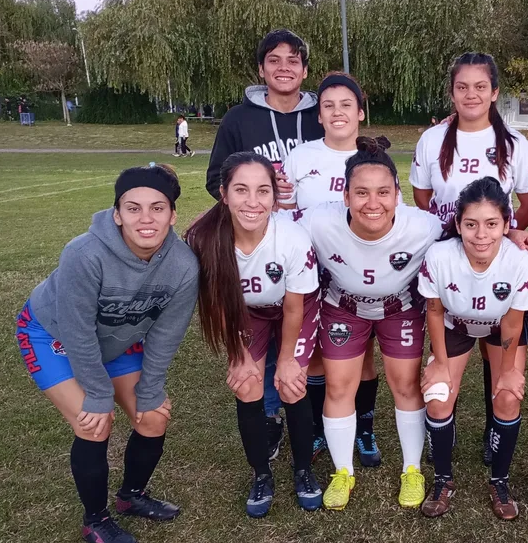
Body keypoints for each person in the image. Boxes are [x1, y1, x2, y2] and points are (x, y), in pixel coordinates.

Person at [15, 163, 199, 543]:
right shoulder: (84, 253)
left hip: (117, 340)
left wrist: (151, 389)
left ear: (172, 214)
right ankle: (95, 520)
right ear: (117, 214)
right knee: (94, 422)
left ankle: (131, 495)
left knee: (154, 416)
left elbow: (166, 335)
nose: (146, 218)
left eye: (157, 207)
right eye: (133, 208)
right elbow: (78, 330)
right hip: (54, 334)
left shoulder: (183, 266)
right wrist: (98, 393)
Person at [294, 137, 439, 511]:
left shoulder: (425, 226)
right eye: (361, 193)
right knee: (339, 386)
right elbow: (267, 224)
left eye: (383, 192)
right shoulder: (317, 219)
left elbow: (473, 235)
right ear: (344, 196)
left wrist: (515, 236)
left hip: (400, 308)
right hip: (343, 307)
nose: (372, 204)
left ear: (398, 194)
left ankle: (412, 469)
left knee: (406, 386)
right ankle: (343, 472)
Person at [411, 52, 528, 466]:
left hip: (493, 256)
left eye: (480, 86)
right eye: (462, 86)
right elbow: (421, 196)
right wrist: (450, 234)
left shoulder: (514, 144)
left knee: (497, 347)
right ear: (452, 92)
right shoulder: (433, 140)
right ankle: (443, 434)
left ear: (494, 92)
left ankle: (493, 431)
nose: (471, 94)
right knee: (456, 324)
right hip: (452, 257)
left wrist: (506, 230)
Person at [204, 29, 325, 460]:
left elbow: (347, 147)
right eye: (274, 60)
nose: (284, 67)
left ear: (305, 69)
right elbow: (215, 177)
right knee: (269, 333)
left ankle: (315, 417)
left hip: (317, 240)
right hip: (263, 242)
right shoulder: (239, 119)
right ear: (261, 68)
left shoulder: (318, 116)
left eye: (294, 60)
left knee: (311, 332)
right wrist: (259, 186)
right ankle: (272, 417)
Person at [186, 152, 322, 517]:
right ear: (223, 193)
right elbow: (217, 303)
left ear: (274, 197)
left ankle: (303, 470)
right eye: (241, 190)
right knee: (248, 384)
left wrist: (289, 358)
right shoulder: (204, 238)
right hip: (247, 312)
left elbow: (294, 307)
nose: (253, 201)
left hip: (295, 307)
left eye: (263, 191)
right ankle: (261, 474)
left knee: (292, 384)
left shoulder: (292, 237)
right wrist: (240, 355)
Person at [417, 177, 528, 520]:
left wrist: (510, 370)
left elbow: (514, 322)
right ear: (458, 224)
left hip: (501, 326)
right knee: (438, 397)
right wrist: (439, 363)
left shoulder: (519, 261)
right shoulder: (440, 256)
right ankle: (442, 480)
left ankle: (499, 481)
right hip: (456, 323)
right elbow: (435, 311)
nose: (481, 234)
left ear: (506, 224)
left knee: (508, 396)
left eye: (491, 224)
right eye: (471, 224)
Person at [283, 73, 383, 468]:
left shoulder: (373, 159)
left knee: (363, 356)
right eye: (328, 105)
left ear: (360, 112)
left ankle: (364, 429)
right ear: (319, 115)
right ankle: (319, 428)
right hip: (309, 274)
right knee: (318, 356)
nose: (338, 112)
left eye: (346, 104)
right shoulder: (301, 157)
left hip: (359, 274)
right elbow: (284, 213)